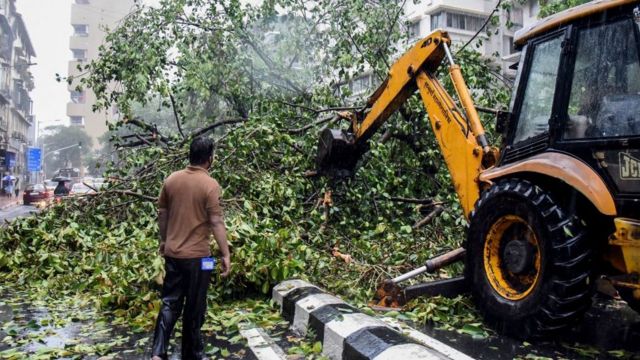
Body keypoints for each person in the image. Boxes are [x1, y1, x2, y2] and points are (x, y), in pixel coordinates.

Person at [151, 137, 231, 360]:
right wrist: (225, 254)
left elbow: (162, 214)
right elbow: (216, 221)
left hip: (173, 254)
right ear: (209, 159)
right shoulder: (210, 185)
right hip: (201, 258)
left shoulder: (171, 180)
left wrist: (164, 240)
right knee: (195, 307)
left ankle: (158, 352)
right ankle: (192, 354)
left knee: (170, 302)